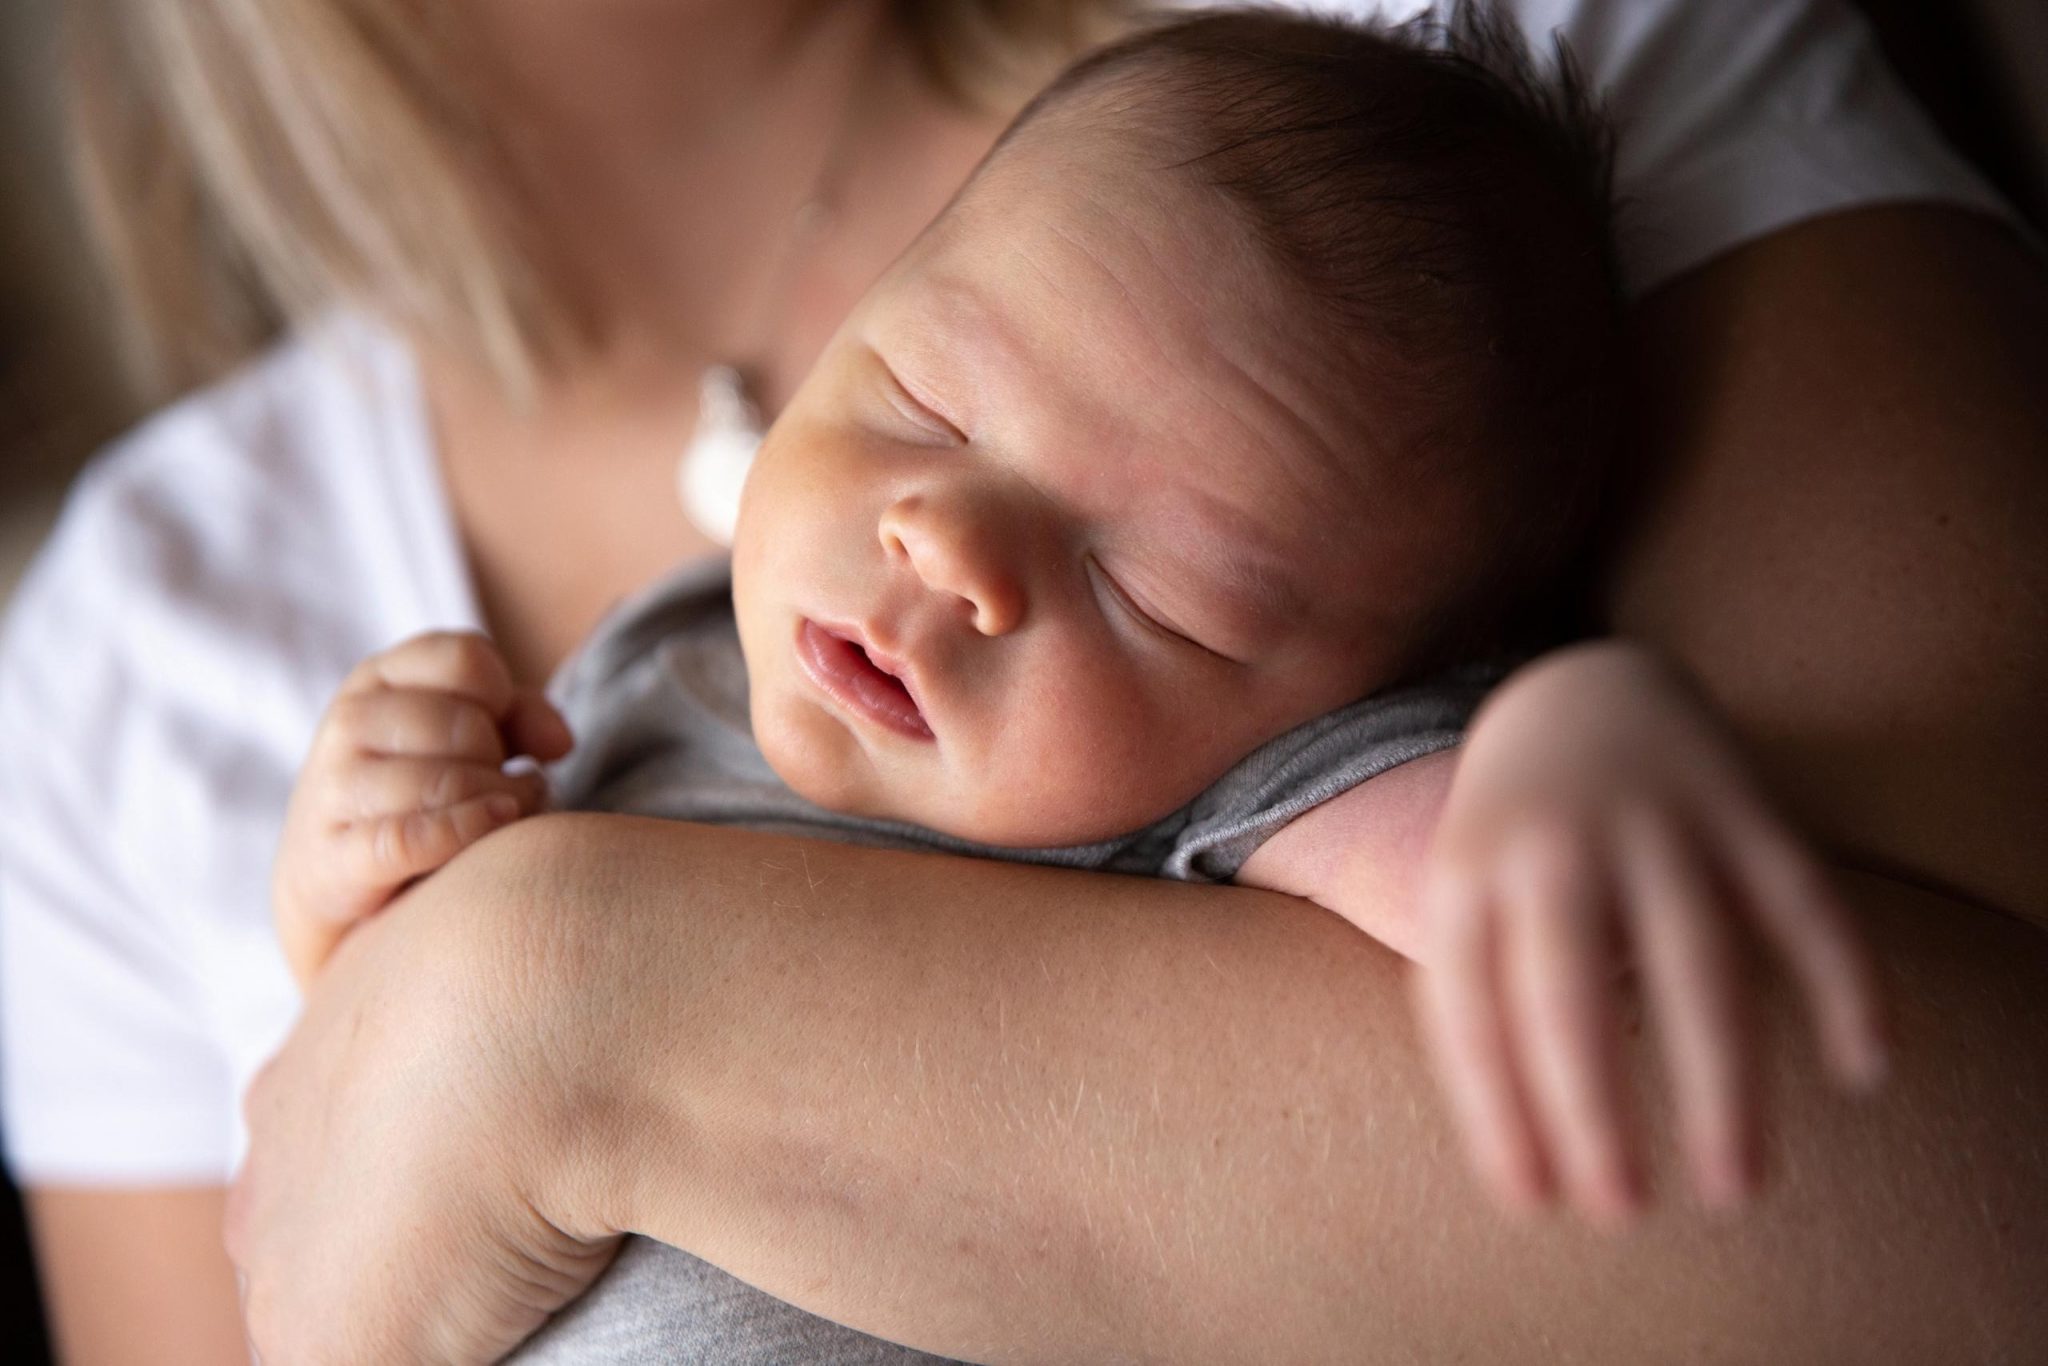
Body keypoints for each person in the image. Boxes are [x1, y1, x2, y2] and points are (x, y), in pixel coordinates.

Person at [5, 1, 2045, 1363]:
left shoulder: (1235, 776)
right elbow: (331, 1116)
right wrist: (363, 883)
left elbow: (1558, 941)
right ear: (858, 321)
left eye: (1151, 594)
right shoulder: (462, 646)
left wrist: (1574, 738)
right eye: (916, 398)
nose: (951, 545)